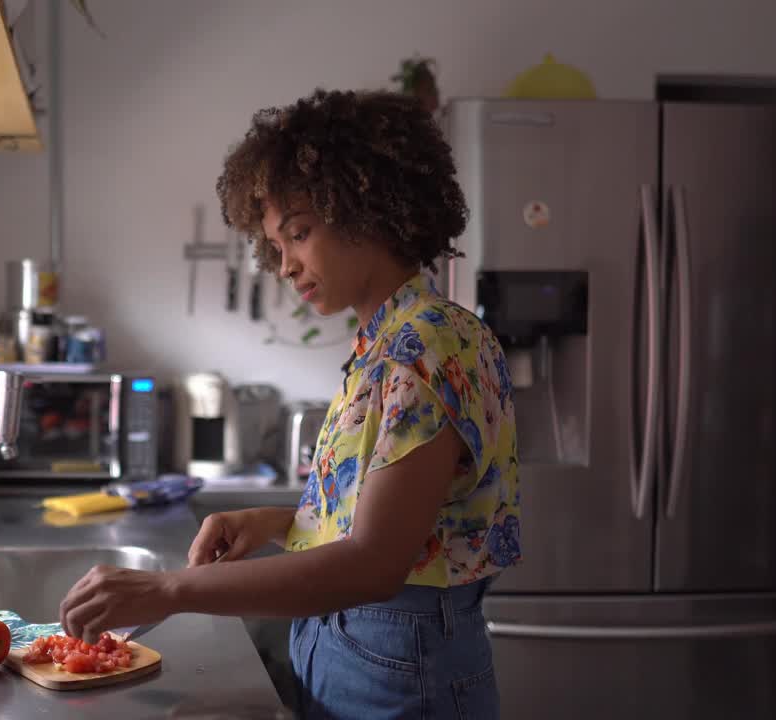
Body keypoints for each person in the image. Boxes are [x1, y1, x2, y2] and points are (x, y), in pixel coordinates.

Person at [58, 88, 520, 719]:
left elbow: (374, 566)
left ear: (368, 210)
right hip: (358, 647)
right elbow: (396, 525)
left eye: (299, 234)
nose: (285, 266)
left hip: (397, 663)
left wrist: (169, 589)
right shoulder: (391, 338)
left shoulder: (426, 344)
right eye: (276, 247)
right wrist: (281, 523)